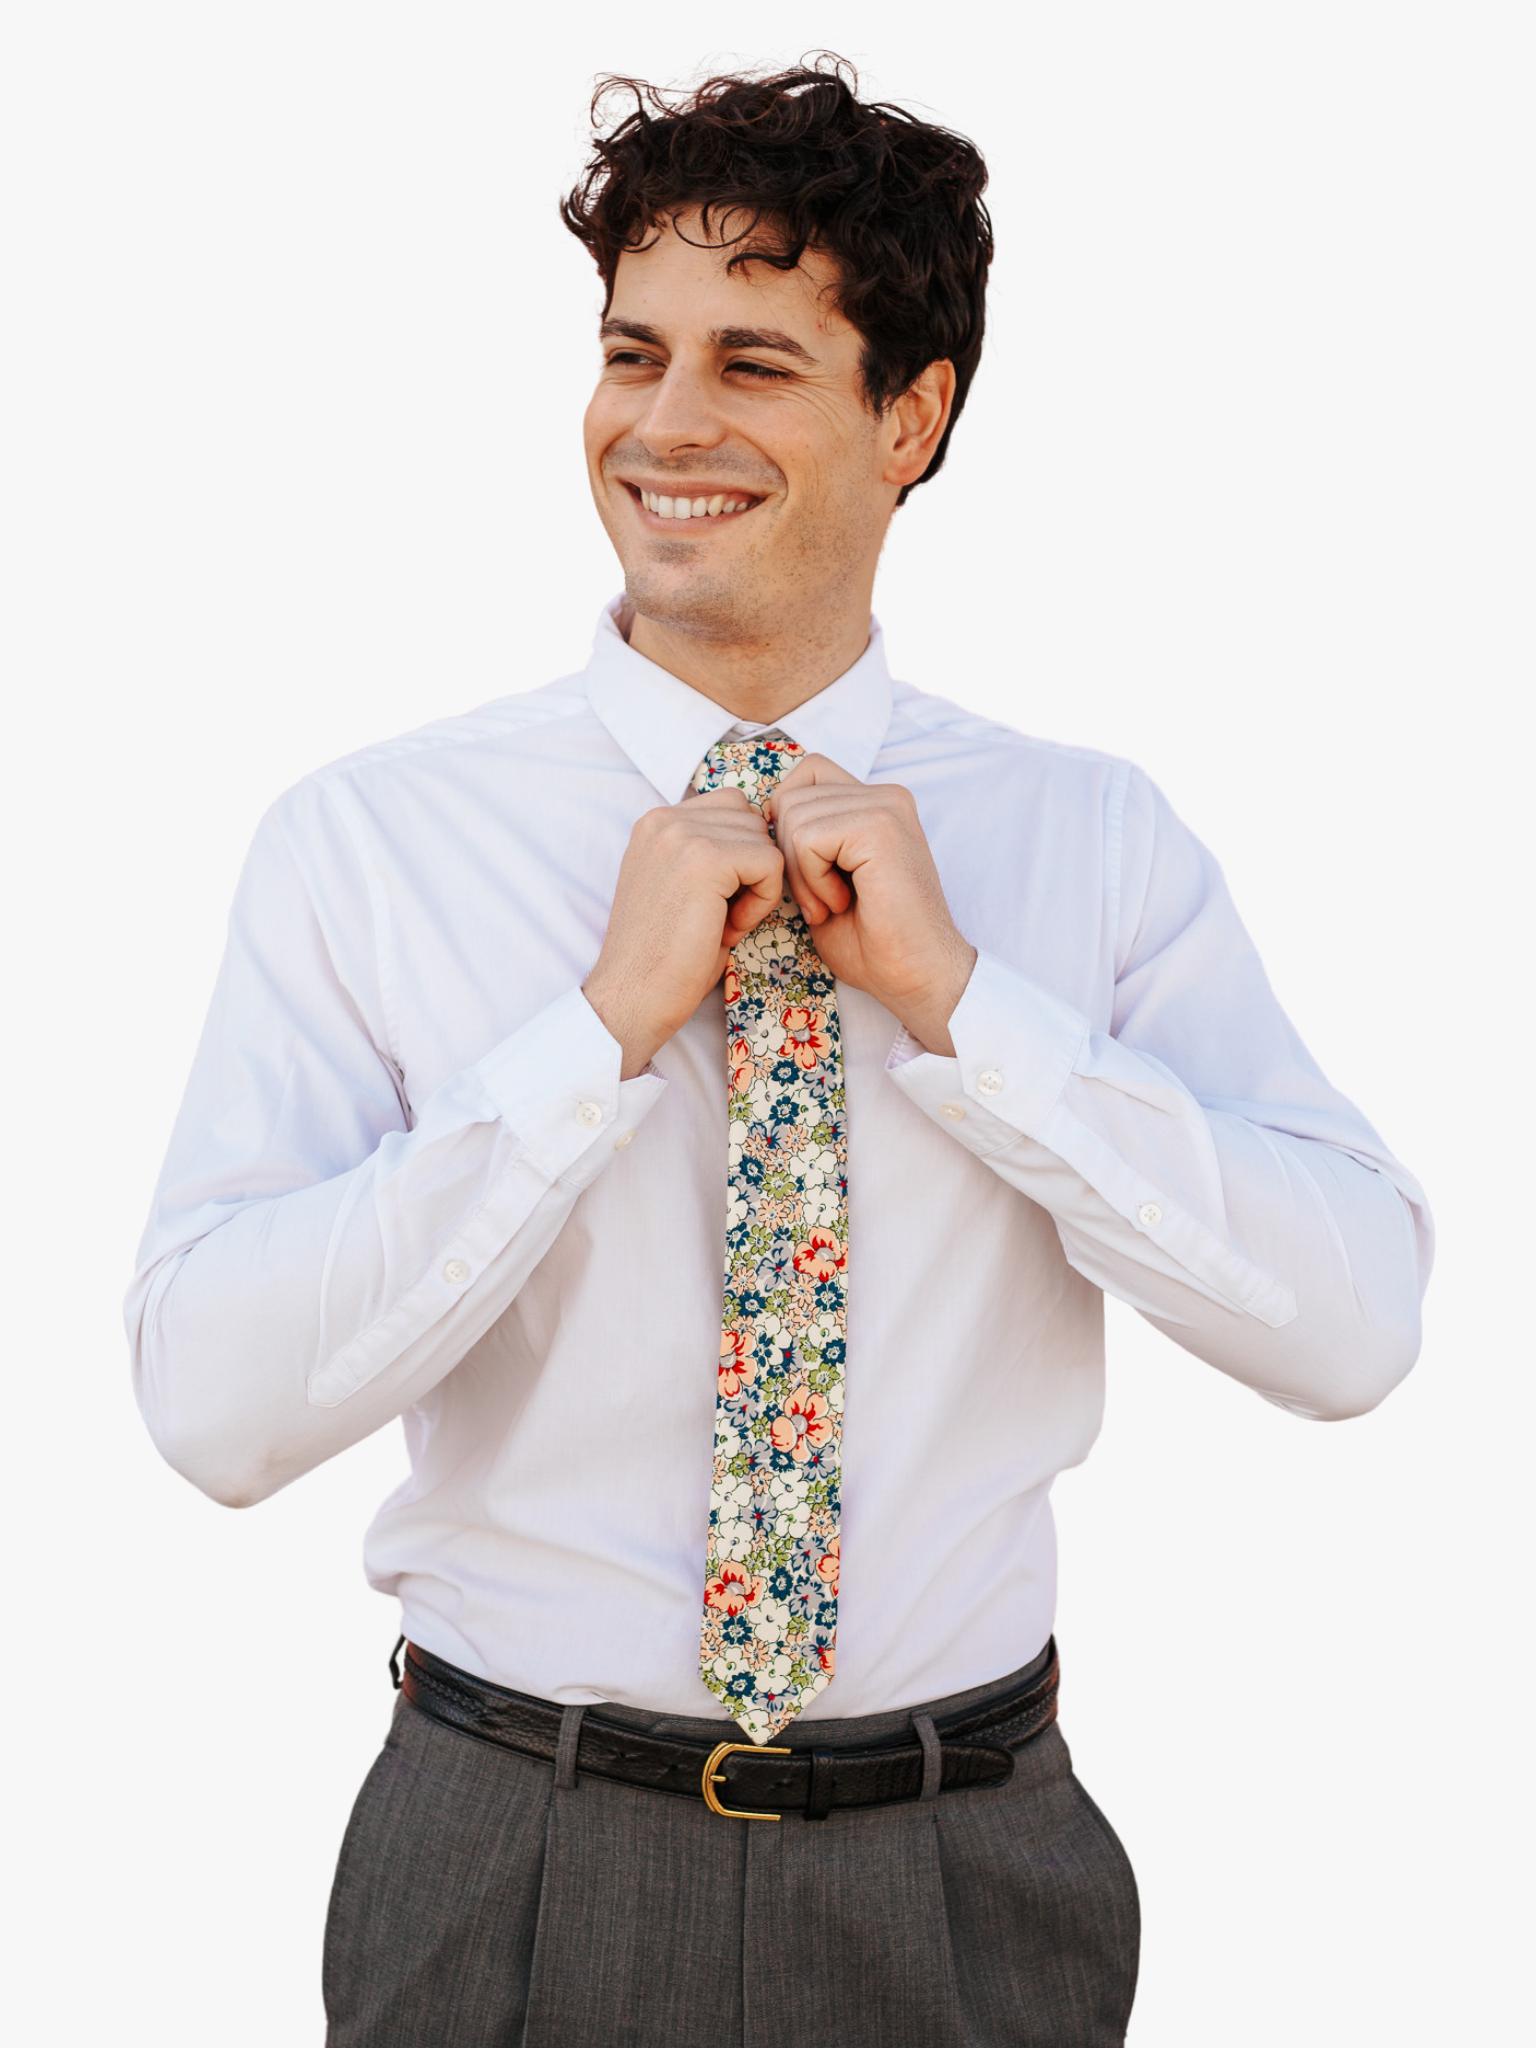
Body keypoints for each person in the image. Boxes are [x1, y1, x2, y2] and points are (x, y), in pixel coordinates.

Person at [126, 58, 1432, 2048]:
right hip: (514, 1861)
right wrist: (591, 1037)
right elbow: (210, 1405)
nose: (664, 423)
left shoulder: (1087, 843)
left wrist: (974, 1009)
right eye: (632, 351)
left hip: (968, 1866)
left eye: (753, 361)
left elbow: (1351, 1324)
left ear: (913, 418)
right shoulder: (370, 839)